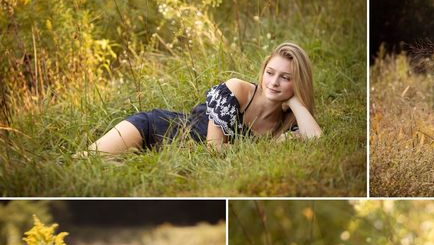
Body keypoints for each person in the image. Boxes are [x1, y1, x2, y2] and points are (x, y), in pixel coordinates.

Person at [88, 43, 321, 154]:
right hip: (153, 130)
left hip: (167, 158)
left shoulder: (287, 121)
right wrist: (269, 147)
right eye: (270, 73)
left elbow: (317, 140)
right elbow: (214, 149)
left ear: (298, 82)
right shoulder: (236, 90)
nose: (273, 82)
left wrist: (295, 102)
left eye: (286, 78)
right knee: (89, 160)